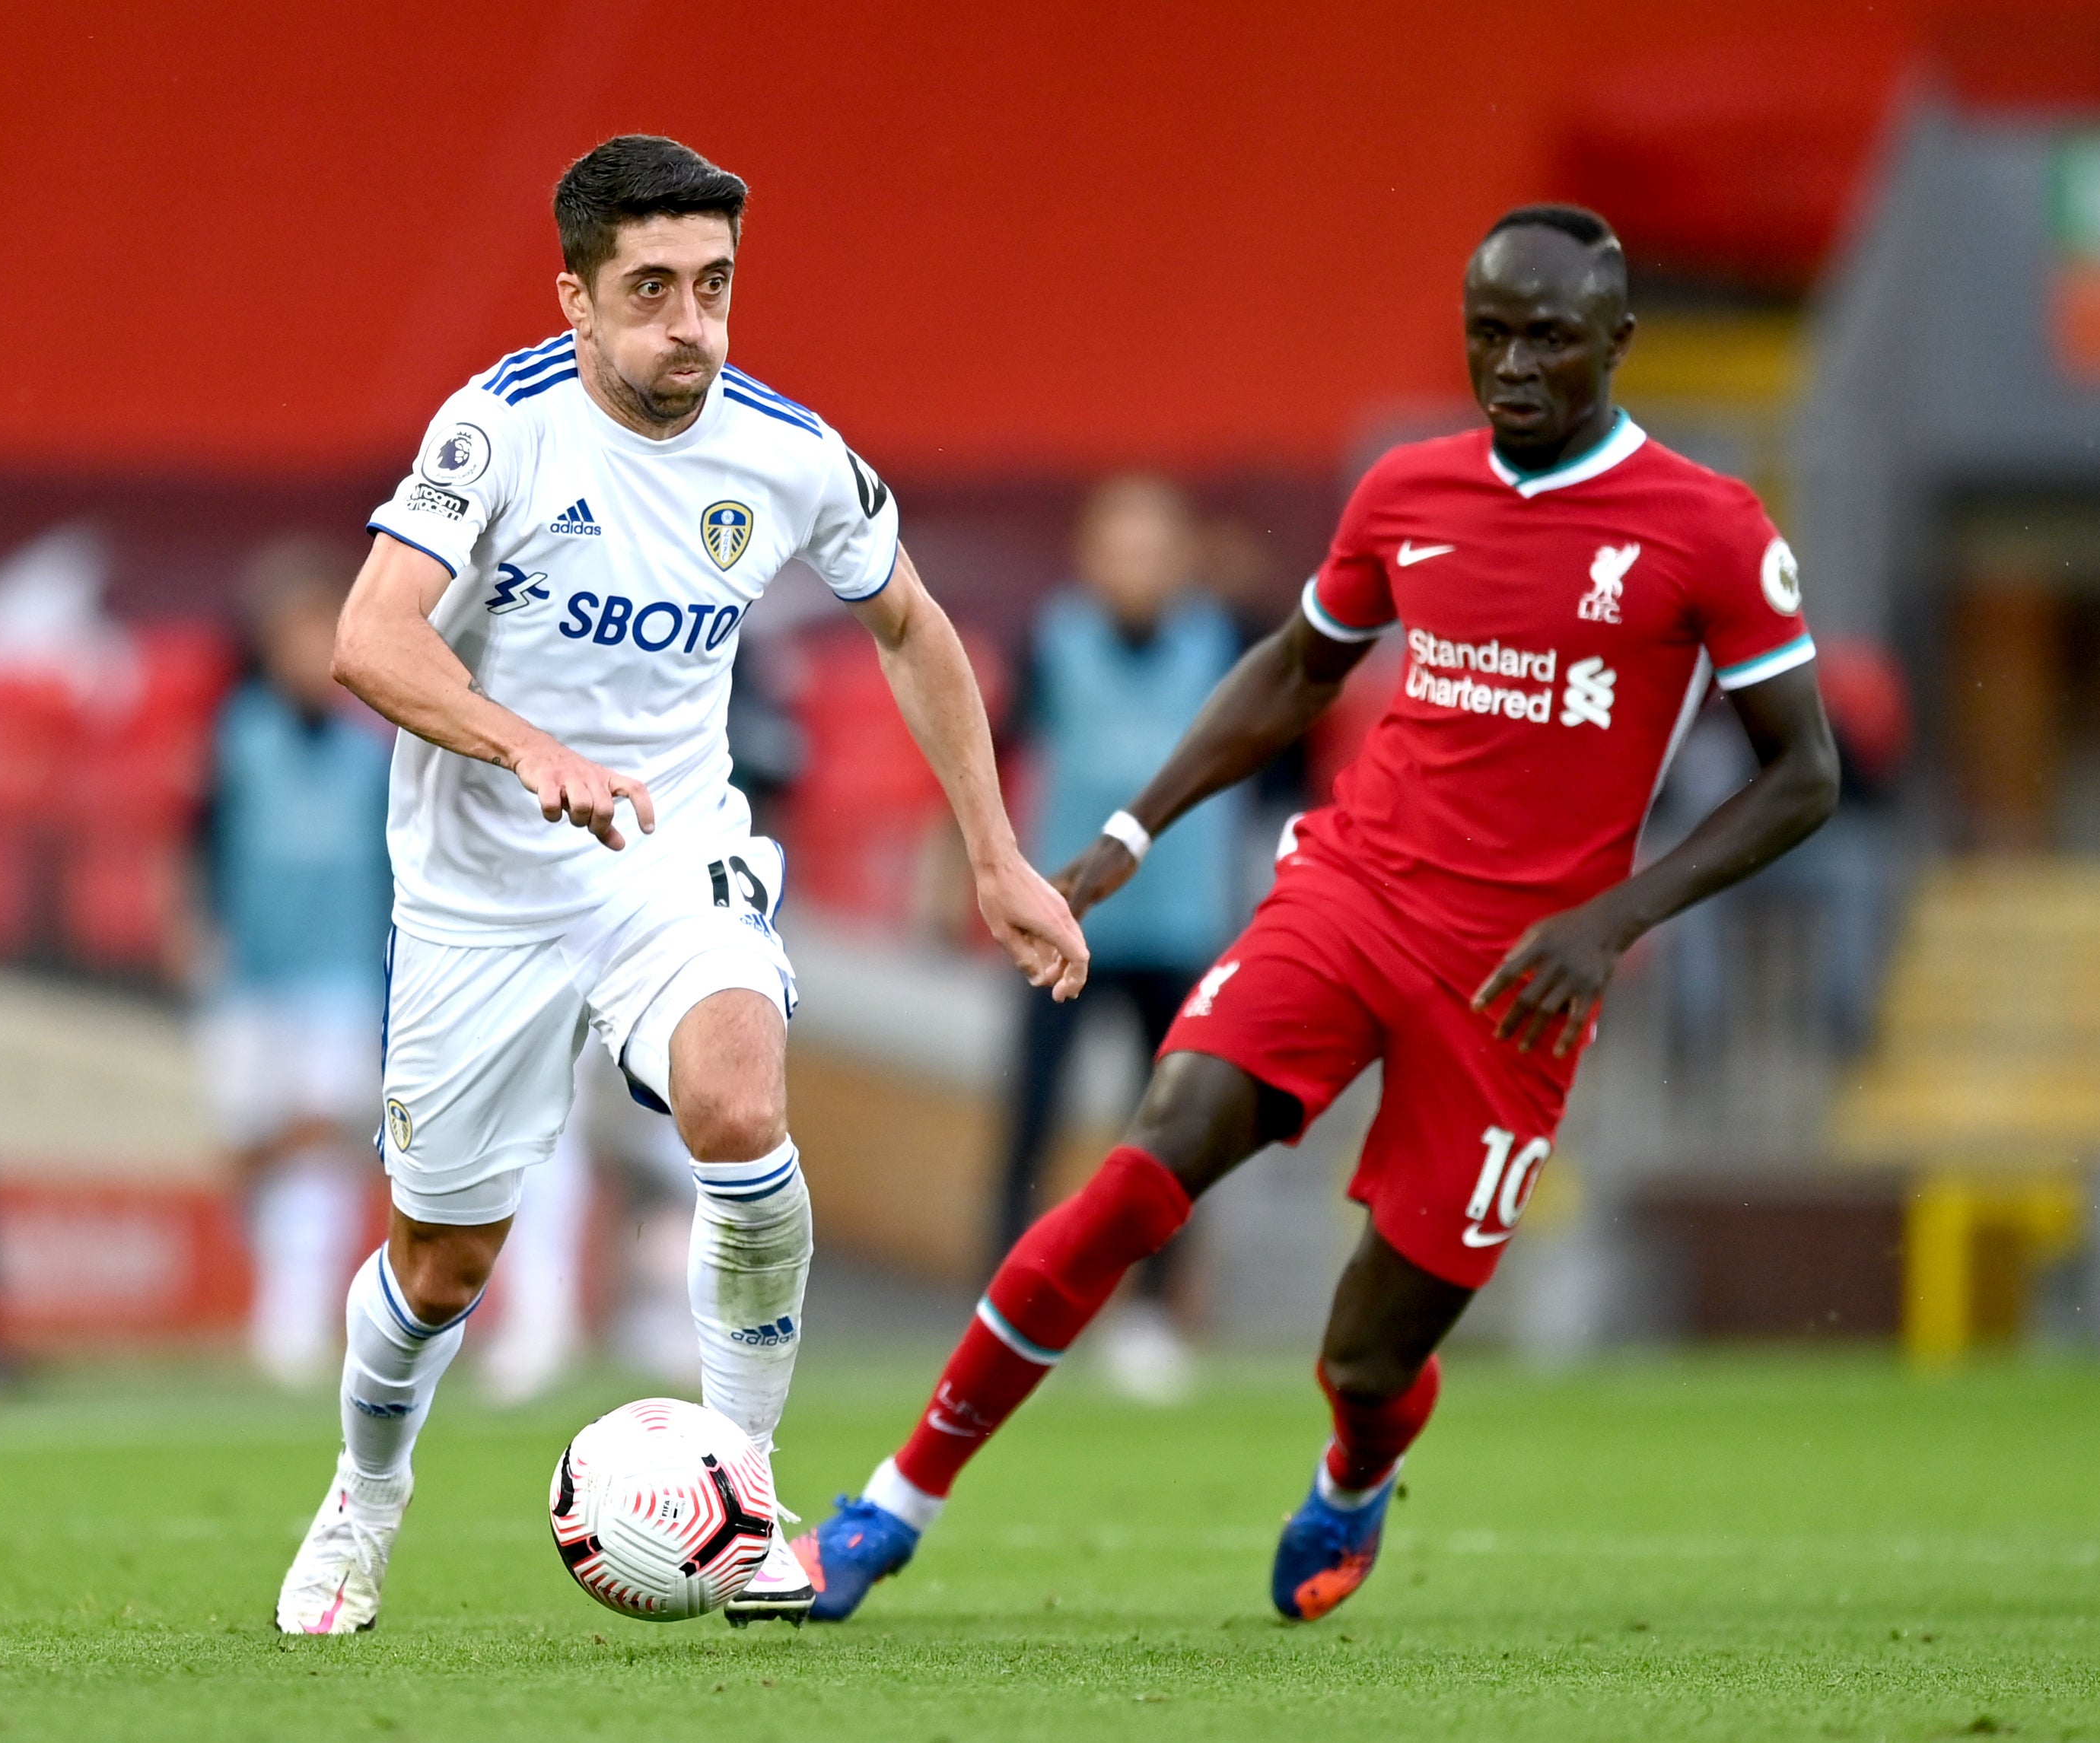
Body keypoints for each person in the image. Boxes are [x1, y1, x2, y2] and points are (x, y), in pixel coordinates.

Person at [799, 205, 1841, 1624]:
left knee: (1366, 1351)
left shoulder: (1707, 528)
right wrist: (1124, 830)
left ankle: (1353, 1468)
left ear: (1617, 340)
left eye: (1546, 336)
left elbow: (1804, 774)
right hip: (1349, 895)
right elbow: (1295, 667)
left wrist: (1613, 919)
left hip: (1520, 981)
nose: (1512, 364)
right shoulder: (1406, 492)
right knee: (1141, 1163)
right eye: (1487, 334)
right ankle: (886, 1508)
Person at [273, 135, 1087, 1633]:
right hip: (479, 888)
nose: (690, 324)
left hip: (672, 850)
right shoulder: (498, 431)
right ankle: (361, 1498)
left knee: (738, 1099)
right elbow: (369, 636)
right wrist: (527, 747)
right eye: (650, 288)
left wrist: (992, 852)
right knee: (442, 1262)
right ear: (575, 296)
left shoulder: (783, 451)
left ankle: (752, 1497)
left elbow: (910, 625)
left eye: (713, 285)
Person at [993, 476, 1243, 1401]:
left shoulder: (1224, 643)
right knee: (1032, 1118)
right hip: (1066, 922)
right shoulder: (1051, 641)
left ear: (1182, 557)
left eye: (1153, 547)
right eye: (1119, 546)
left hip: (1180, 929)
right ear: (1089, 557)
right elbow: (995, 751)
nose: (1136, 567)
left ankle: (1151, 1313)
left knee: (1170, 1131)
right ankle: (1002, 1306)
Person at [192, 539, 396, 1389]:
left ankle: (296, 1320)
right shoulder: (235, 739)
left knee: (324, 1133)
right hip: (250, 973)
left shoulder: (373, 752)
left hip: (342, 973)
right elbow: (192, 842)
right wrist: (189, 930)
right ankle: (278, 1300)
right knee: (250, 1139)